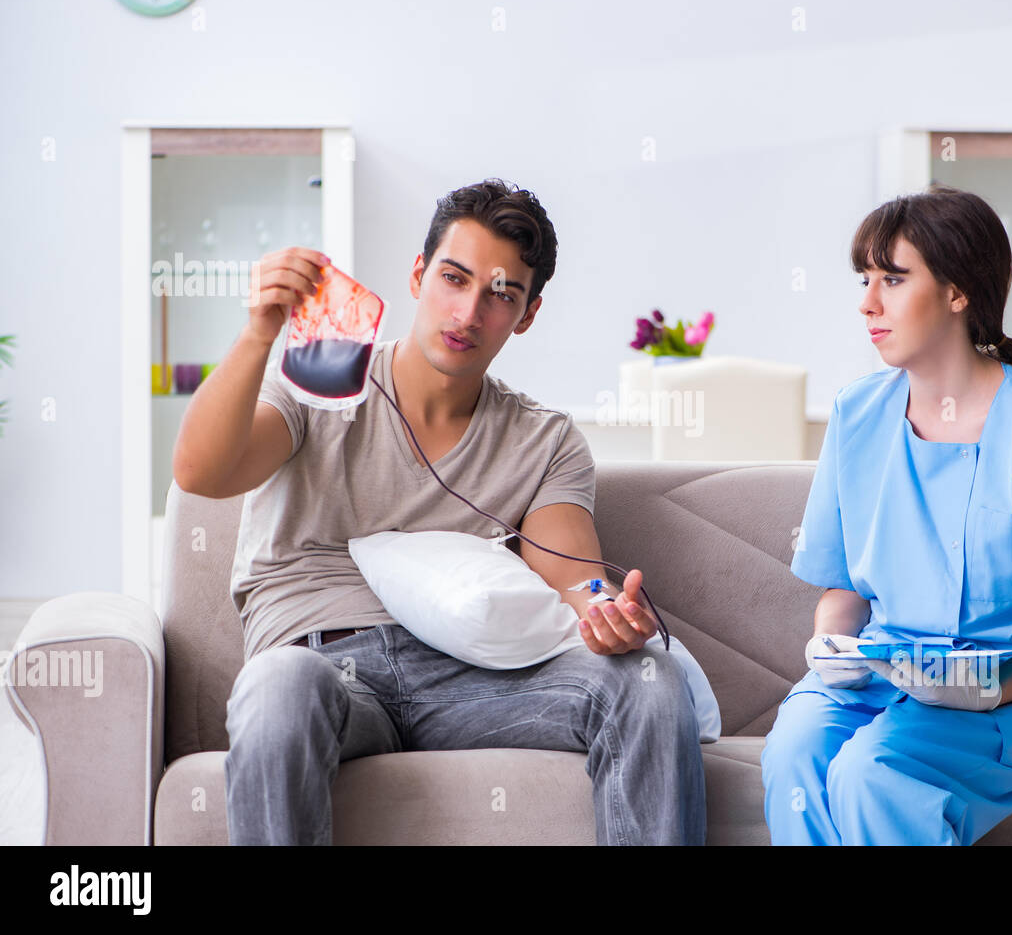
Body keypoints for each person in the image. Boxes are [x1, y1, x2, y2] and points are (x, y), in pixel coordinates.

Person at [173, 178, 706, 845]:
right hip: (320, 665)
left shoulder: (545, 439)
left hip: (473, 677)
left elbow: (575, 577)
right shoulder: (320, 380)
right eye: (454, 278)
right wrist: (257, 335)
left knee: (651, 680)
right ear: (420, 274)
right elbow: (202, 470)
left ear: (528, 314)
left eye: (501, 294)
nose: (467, 311)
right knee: (277, 683)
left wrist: (606, 610)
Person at [760, 184, 1012, 845]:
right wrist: (831, 646)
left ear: (958, 292)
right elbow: (844, 585)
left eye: (893, 279)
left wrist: (989, 685)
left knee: (871, 772)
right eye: (866, 279)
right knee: (794, 750)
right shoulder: (856, 417)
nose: (867, 302)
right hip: (886, 674)